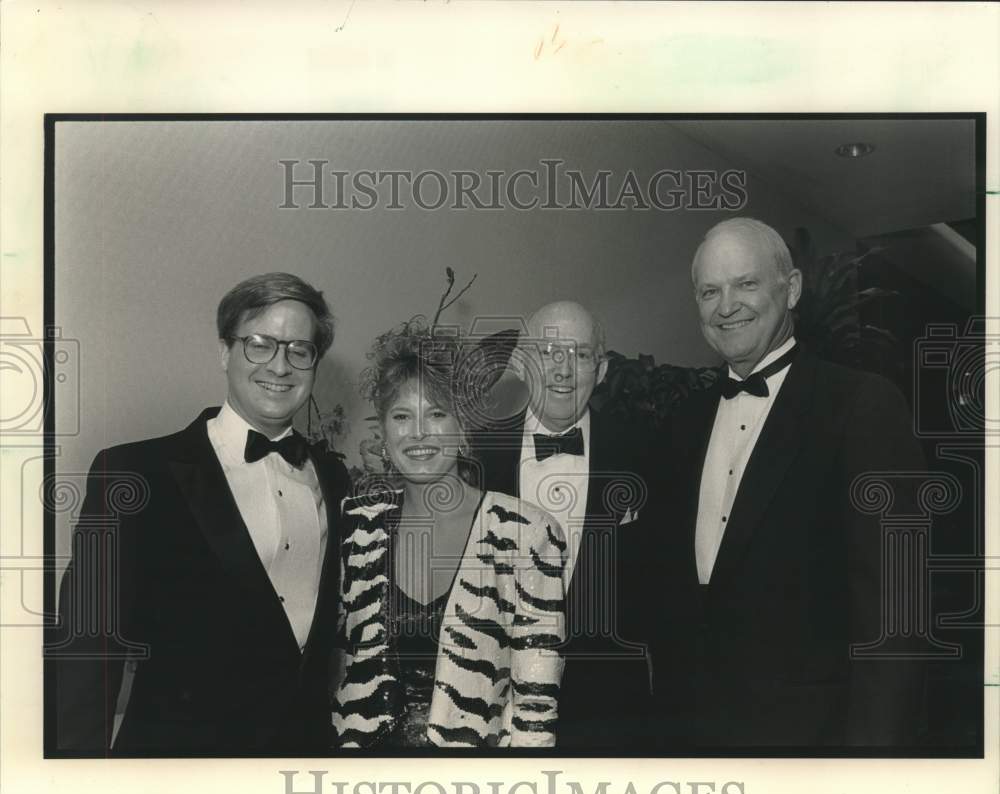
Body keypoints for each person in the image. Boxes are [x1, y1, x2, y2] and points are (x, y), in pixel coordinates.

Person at [649, 217, 926, 748]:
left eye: (746, 284)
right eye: (710, 290)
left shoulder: (861, 405)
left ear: (792, 288)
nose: (726, 305)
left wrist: (875, 766)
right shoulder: (679, 425)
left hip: (814, 746)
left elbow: (897, 612)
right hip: (689, 742)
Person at [50, 273, 351, 754]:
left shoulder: (336, 480)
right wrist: (73, 784)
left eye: (300, 349)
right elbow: (87, 649)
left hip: (303, 769)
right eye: (260, 344)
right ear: (224, 352)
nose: (281, 365)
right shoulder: (132, 473)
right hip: (173, 773)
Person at [331, 320, 566, 748]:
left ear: (464, 427)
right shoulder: (356, 527)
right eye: (402, 416)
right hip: (362, 785)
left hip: (472, 791)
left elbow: (535, 706)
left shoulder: (526, 533)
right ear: (383, 433)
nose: (418, 432)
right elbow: (335, 668)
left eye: (437, 414)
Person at [474, 301, 656, 750]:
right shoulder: (476, 452)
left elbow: (663, 591)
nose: (562, 370)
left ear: (603, 369)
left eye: (579, 354)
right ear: (521, 362)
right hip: (492, 701)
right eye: (547, 351)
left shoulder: (647, 451)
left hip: (609, 711)